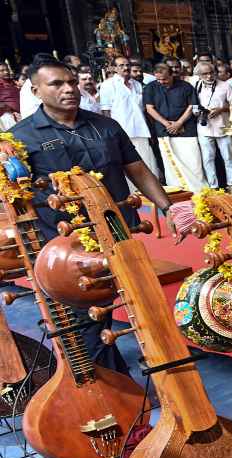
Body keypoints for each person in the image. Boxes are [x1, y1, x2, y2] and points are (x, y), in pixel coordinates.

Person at [1, 58, 172, 371]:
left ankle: (163, 372)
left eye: (71, 82)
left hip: (118, 234)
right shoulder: (19, 139)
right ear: (37, 91)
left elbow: (136, 168)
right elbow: (15, 196)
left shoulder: (105, 126)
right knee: (88, 318)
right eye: (56, 84)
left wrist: (167, 206)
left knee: (140, 303)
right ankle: (112, 390)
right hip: (67, 247)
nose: (69, 89)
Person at [143, 63, 205, 192]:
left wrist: (179, 123)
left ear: (172, 75)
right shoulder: (150, 87)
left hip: (186, 129)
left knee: (193, 160)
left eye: (164, 79)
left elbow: (192, 106)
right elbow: (149, 108)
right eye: (158, 79)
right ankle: (177, 191)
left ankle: (198, 190)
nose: (161, 82)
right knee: (170, 163)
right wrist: (167, 124)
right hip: (163, 130)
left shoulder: (185, 86)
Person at [100, 56, 159, 183]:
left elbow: (143, 109)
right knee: (128, 166)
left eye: (127, 65)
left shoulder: (136, 84)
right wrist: (109, 134)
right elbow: (106, 111)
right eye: (121, 65)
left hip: (140, 131)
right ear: (114, 68)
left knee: (147, 163)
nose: (125, 68)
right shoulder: (108, 85)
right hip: (121, 132)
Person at [193, 61, 232, 189]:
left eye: (211, 73)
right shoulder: (196, 86)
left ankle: (231, 184)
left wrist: (221, 109)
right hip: (204, 128)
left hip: (223, 126)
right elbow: (193, 106)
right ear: (199, 75)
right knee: (207, 159)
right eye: (205, 74)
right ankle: (214, 187)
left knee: (228, 158)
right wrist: (199, 112)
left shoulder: (225, 86)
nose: (209, 76)